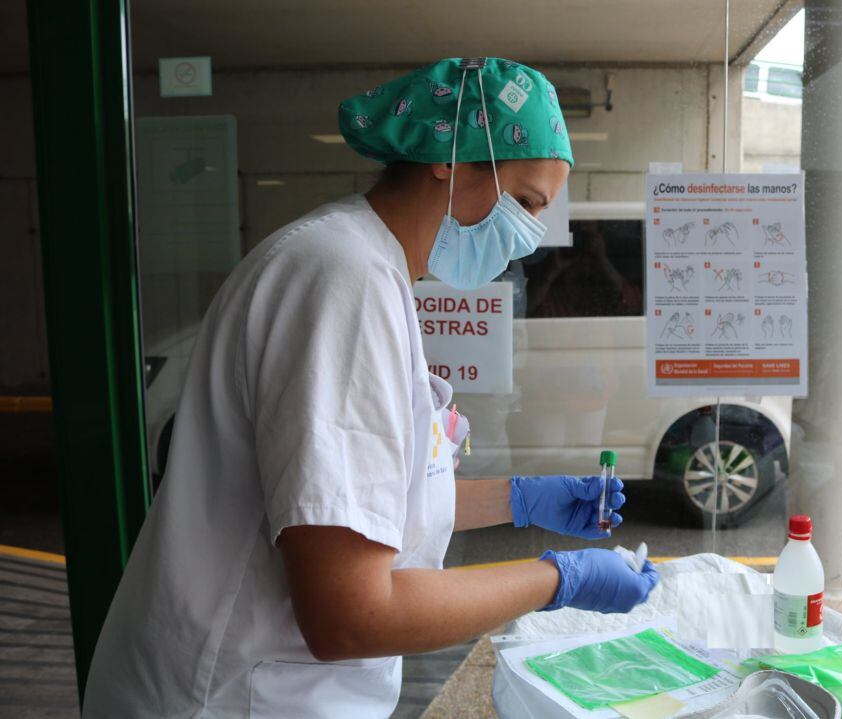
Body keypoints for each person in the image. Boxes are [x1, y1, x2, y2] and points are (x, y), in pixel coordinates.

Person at [81, 57, 659, 718]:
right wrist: (556, 580)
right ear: (450, 157)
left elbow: (359, 501)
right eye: (524, 201)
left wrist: (521, 499)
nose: (526, 238)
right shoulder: (345, 280)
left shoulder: (364, 268)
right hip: (232, 697)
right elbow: (349, 615)